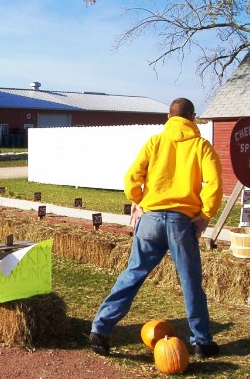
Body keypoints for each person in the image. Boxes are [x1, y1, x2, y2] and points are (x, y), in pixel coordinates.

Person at [89, 98, 223, 359]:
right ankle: (201, 342)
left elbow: (132, 177)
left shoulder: (155, 141)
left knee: (133, 273)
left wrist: (138, 201)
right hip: (181, 222)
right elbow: (214, 183)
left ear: (168, 116)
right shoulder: (201, 147)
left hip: (150, 219)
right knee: (190, 281)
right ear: (192, 117)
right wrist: (206, 214)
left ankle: (100, 329)